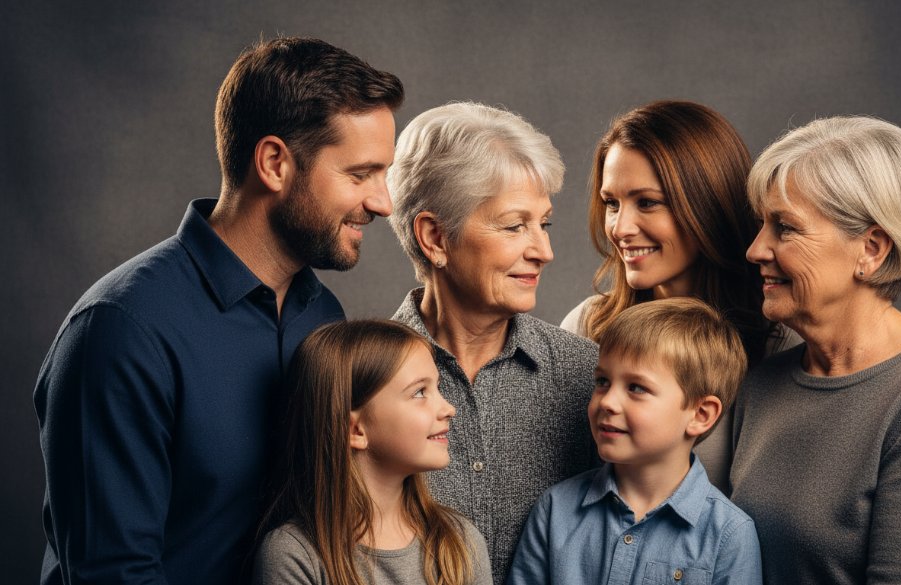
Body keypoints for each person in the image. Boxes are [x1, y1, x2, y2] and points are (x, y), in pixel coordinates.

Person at [34, 38, 404, 584]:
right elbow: (113, 573)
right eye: (359, 175)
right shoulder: (121, 330)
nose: (382, 203)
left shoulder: (322, 315)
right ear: (275, 163)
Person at [730, 116, 901, 584]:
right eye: (762, 225)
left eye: (785, 228)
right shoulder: (762, 382)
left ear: (871, 250)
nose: (756, 249)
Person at [387, 102, 598, 583]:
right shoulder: (358, 381)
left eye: (543, 224)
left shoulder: (587, 376)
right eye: (514, 225)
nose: (544, 251)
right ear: (435, 237)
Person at [561, 100, 793, 490]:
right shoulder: (587, 329)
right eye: (611, 204)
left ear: (708, 205)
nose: (621, 228)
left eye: (647, 203)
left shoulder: (780, 344)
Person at [509, 298, 762, 585]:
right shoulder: (554, 510)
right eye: (602, 381)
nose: (608, 402)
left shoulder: (729, 534)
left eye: (636, 388)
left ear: (700, 414)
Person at [253, 320, 493, 585]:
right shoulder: (295, 554)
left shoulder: (460, 541)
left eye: (438, 388)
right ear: (355, 430)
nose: (449, 408)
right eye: (419, 392)